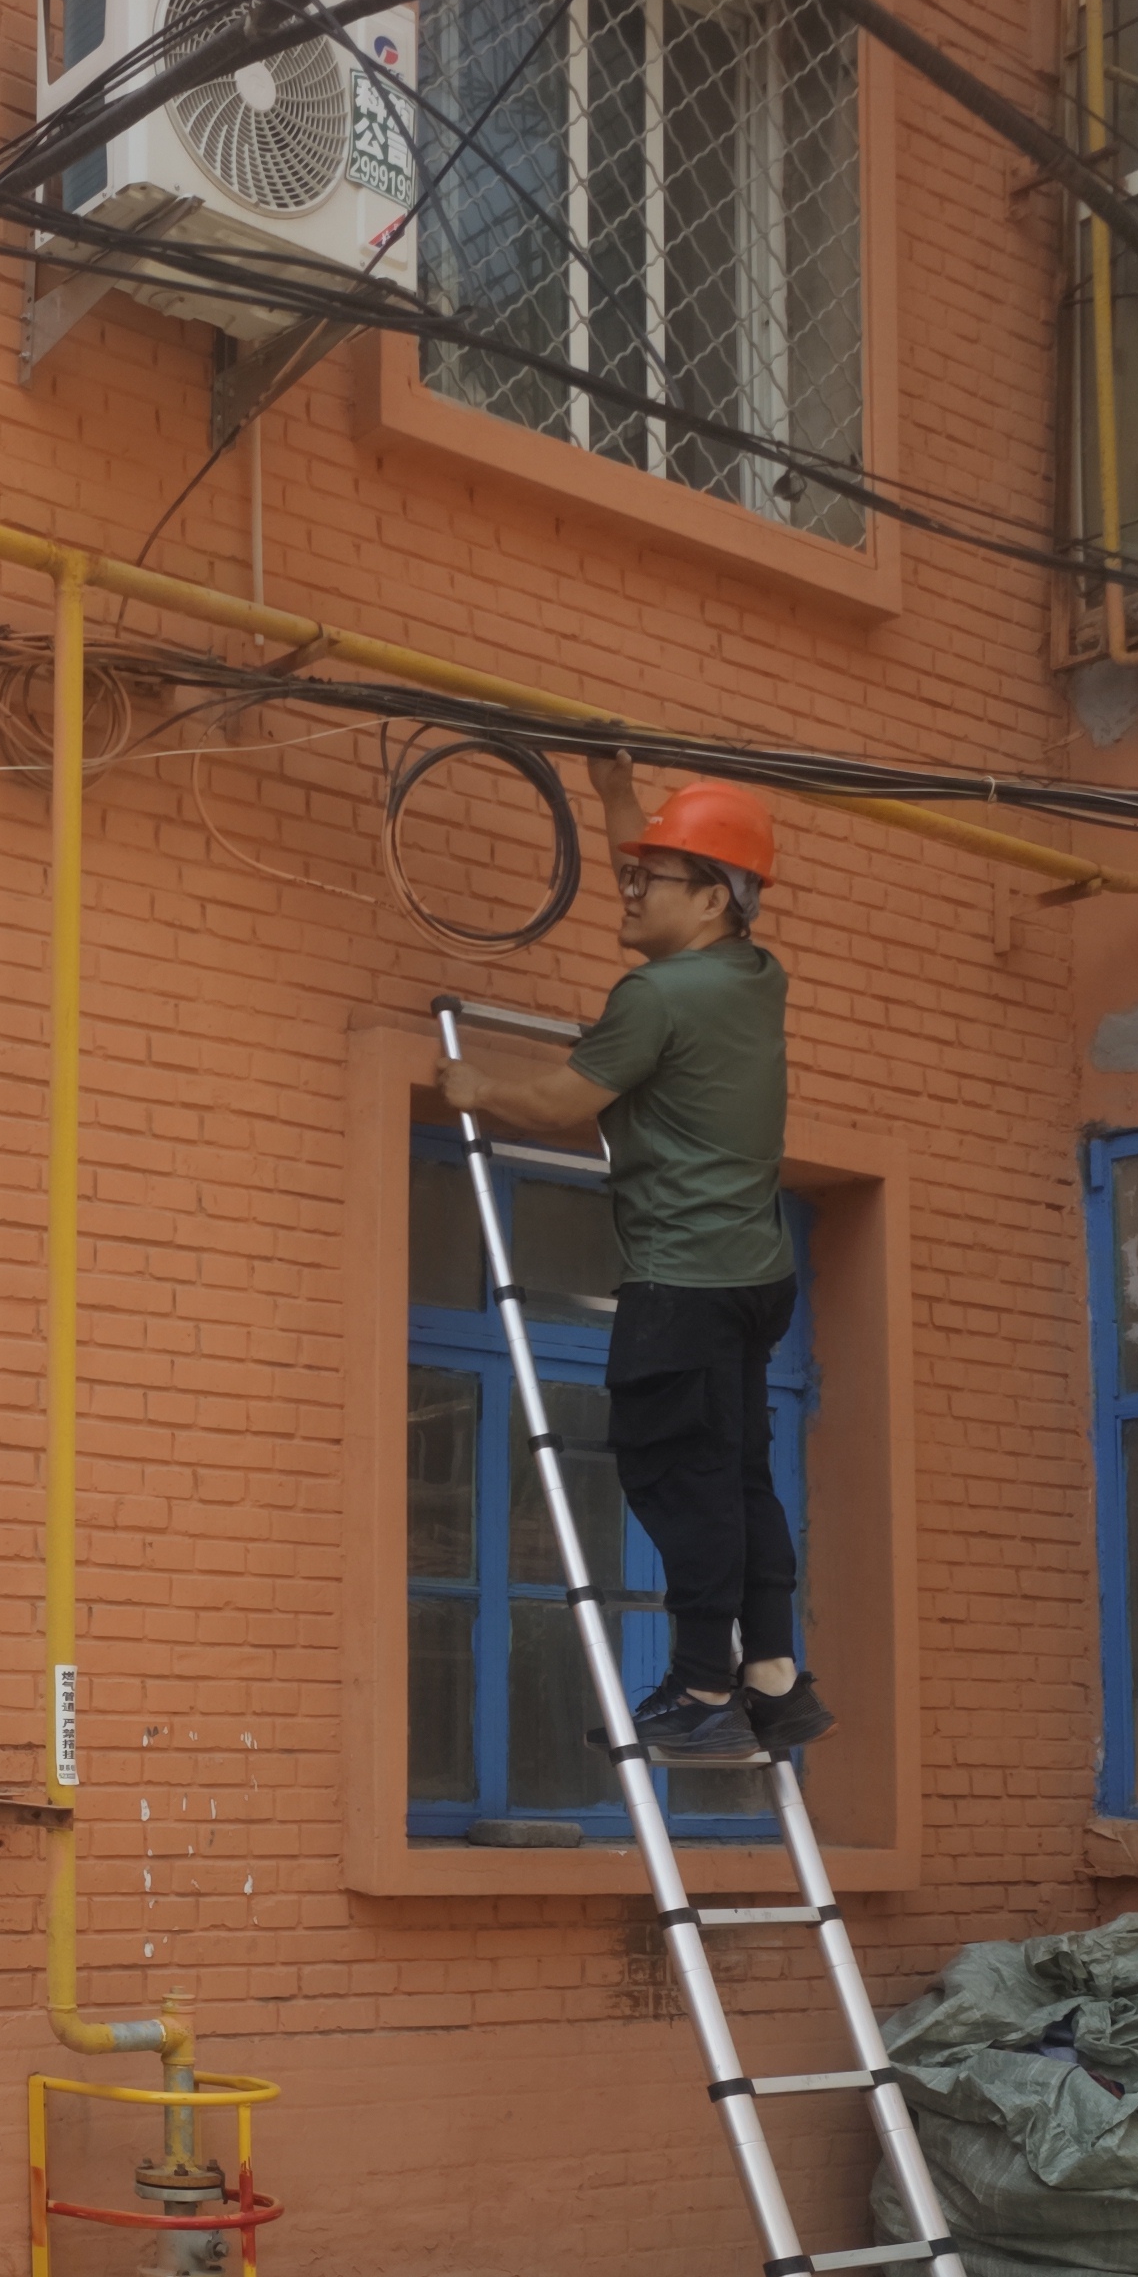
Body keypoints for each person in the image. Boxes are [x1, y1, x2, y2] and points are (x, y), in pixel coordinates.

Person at [435, 757, 829, 1768]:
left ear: (710, 899)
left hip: (683, 1279)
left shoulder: (655, 996)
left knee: (681, 1477)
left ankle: (701, 1691)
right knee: (739, 1475)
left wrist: (475, 1087)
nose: (629, 886)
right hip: (754, 1274)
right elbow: (672, 861)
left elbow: (561, 1105)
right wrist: (616, 794)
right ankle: (772, 1680)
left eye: (650, 877)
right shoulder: (755, 974)